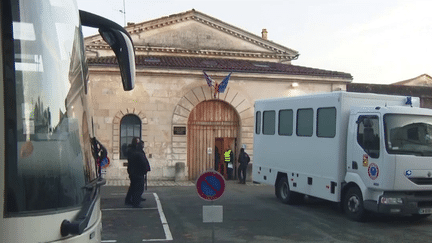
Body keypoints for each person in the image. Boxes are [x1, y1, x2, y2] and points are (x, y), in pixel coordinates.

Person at [125, 137, 151, 208]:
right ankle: (135, 202)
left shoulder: (135, 151)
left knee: (134, 186)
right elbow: (141, 162)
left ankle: (130, 200)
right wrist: (145, 168)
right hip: (136, 172)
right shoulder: (135, 152)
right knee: (138, 187)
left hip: (135, 171)